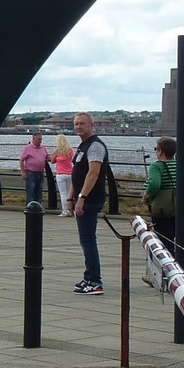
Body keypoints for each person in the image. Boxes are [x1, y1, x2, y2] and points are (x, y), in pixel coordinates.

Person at [141, 137, 184, 287]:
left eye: (156, 149)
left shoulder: (157, 166)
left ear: (160, 151)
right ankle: (182, 273)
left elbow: (154, 183)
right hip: (180, 210)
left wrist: (147, 195)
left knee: (163, 243)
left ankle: (167, 276)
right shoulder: (180, 165)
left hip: (162, 210)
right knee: (178, 242)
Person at [67, 113, 109, 295]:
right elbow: (76, 174)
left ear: (92, 125)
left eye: (82, 123)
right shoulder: (83, 146)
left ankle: (94, 281)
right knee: (86, 240)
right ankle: (89, 276)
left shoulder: (95, 146)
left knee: (88, 240)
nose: (78, 127)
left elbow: (93, 173)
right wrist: (70, 198)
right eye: (76, 124)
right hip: (82, 198)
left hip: (91, 200)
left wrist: (82, 197)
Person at [20, 132, 49, 206]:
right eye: (38, 139)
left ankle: (38, 208)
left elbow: (48, 157)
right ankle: (30, 208)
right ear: (33, 139)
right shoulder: (27, 148)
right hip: (31, 173)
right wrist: (23, 172)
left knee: (39, 192)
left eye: (41, 139)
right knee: (31, 192)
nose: (40, 141)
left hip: (40, 173)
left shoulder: (43, 148)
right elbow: (21, 160)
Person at [51, 134, 74, 215]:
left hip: (60, 174)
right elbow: (72, 159)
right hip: (70, 173)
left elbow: (52, 161)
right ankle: (70, 210)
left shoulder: (58, 151)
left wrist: (54, 154)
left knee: (63, 193)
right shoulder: (70, 150)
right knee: (69, 193)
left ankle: (64, 211)